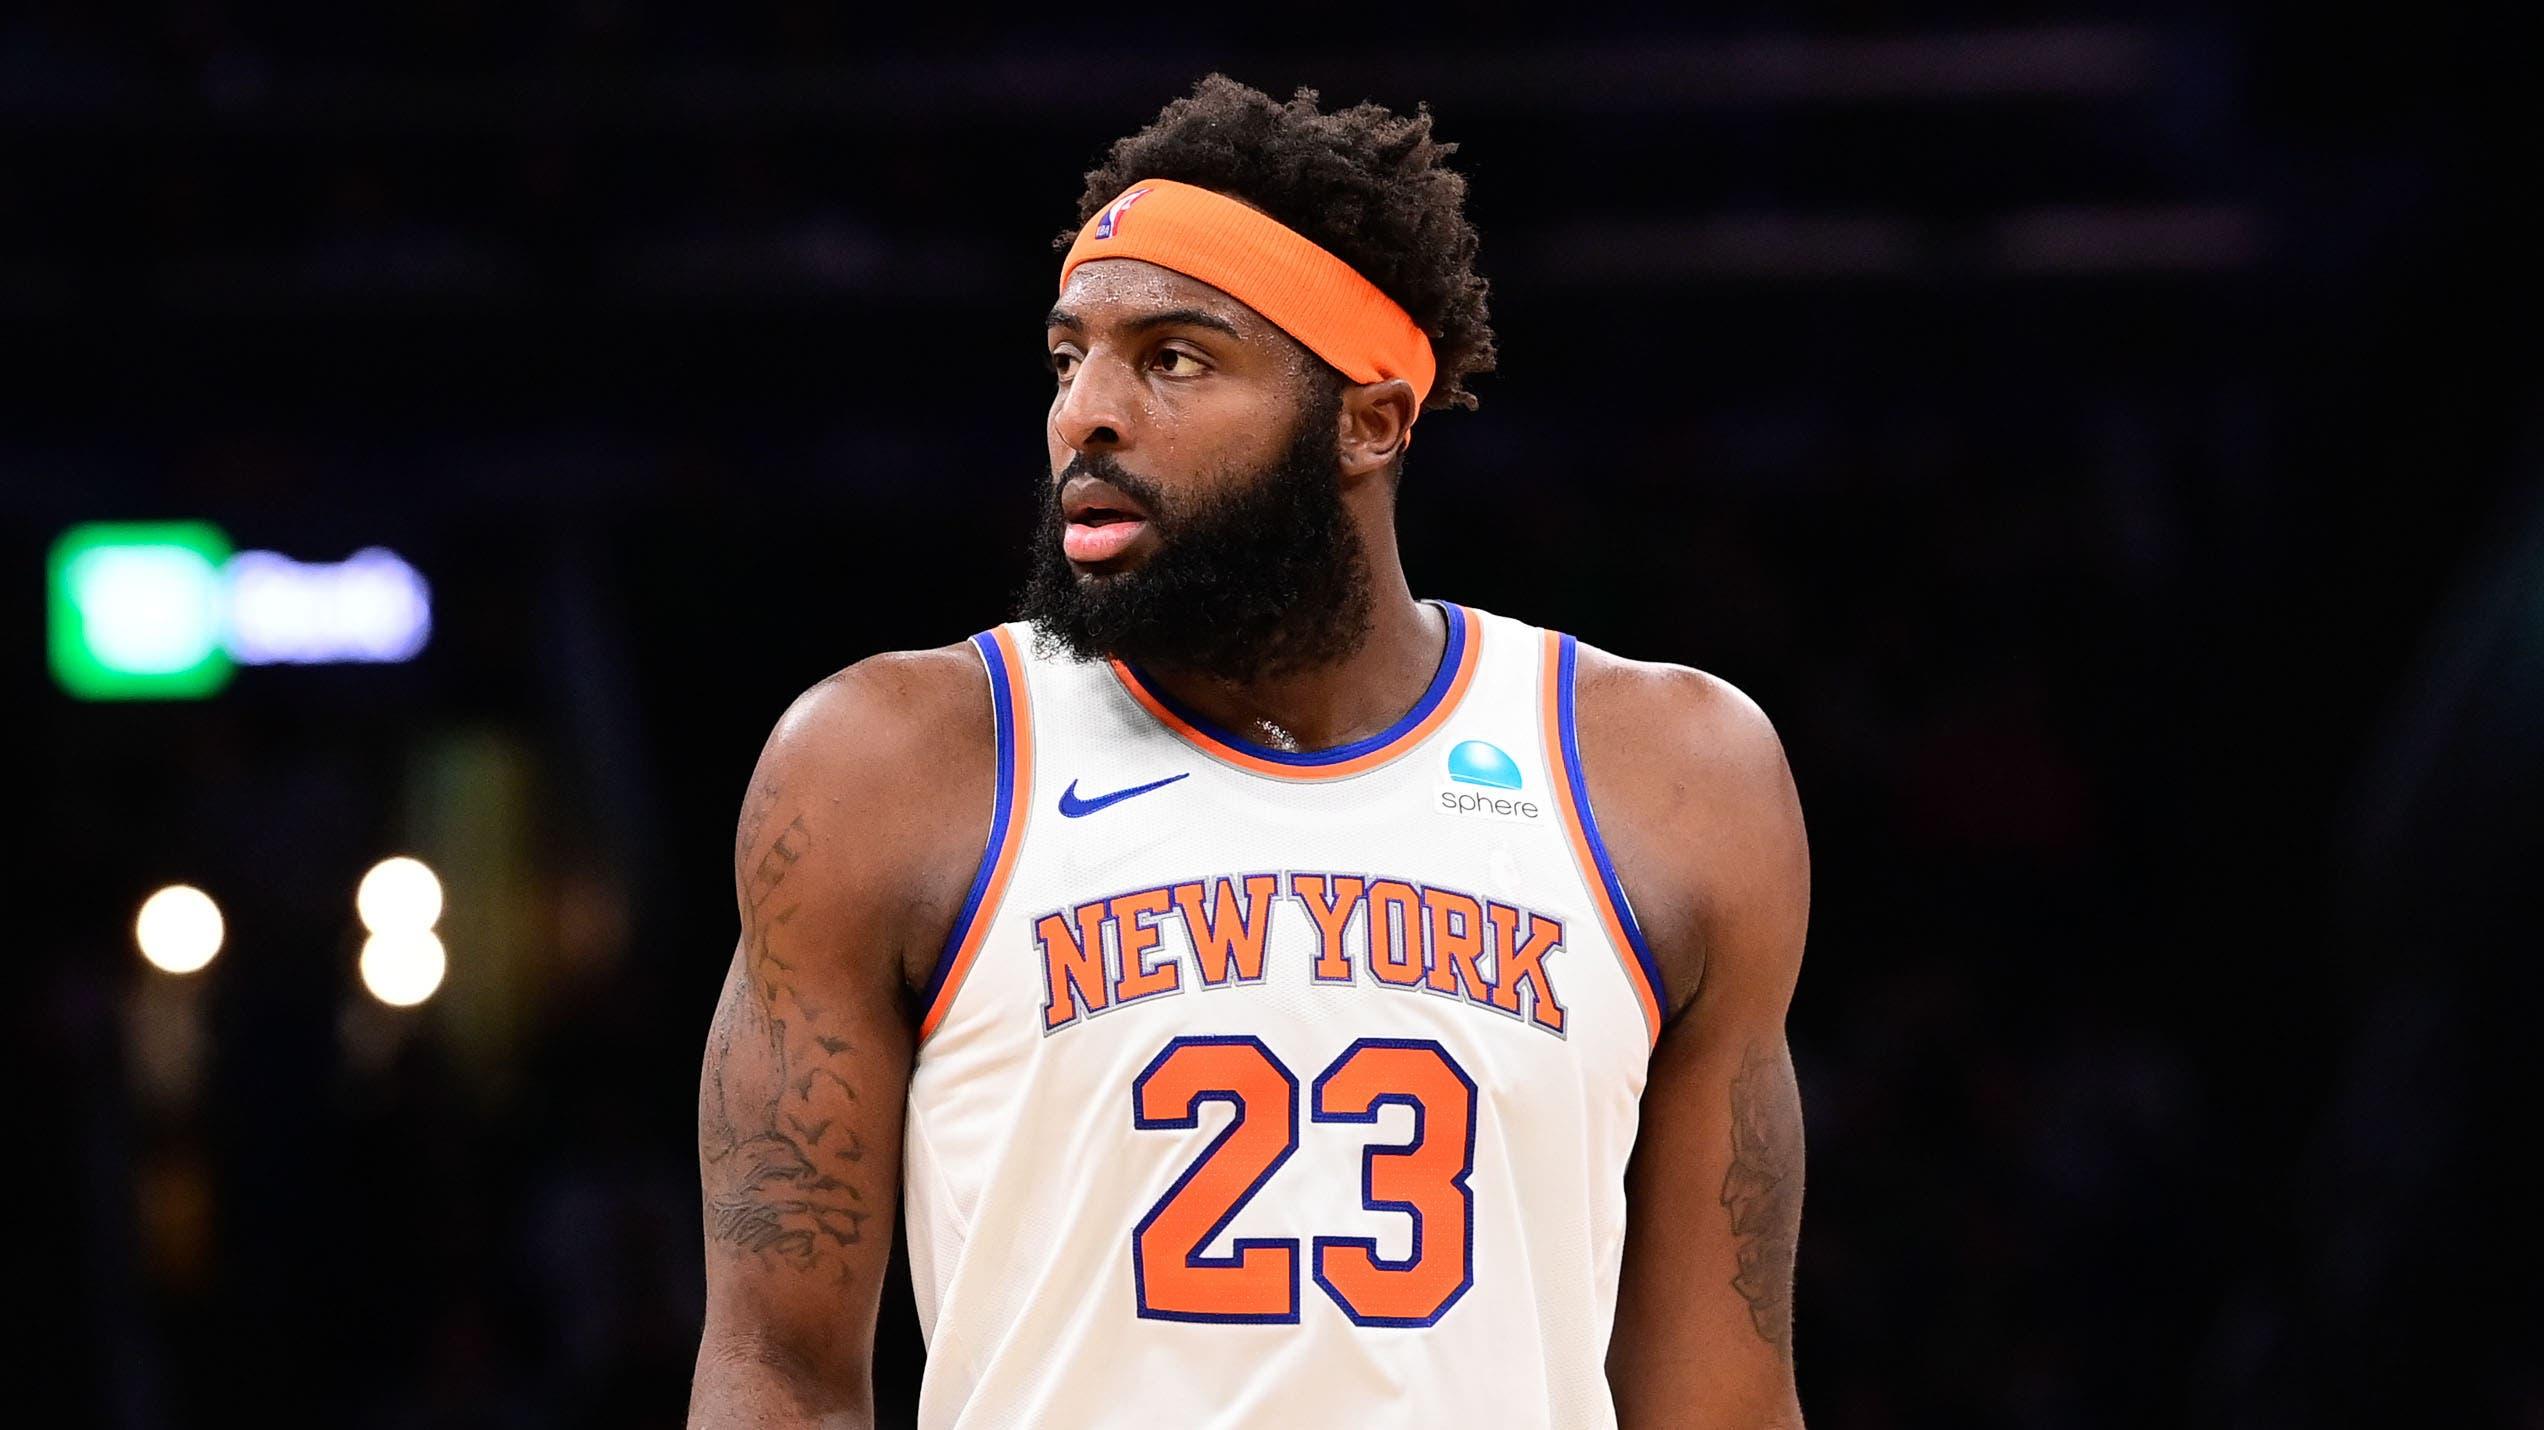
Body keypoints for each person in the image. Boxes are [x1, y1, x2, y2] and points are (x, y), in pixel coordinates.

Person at [688, 75, 1810, 1430]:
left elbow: (1723, 1403)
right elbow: (779, 1377)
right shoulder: (888, 765)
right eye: (1068, 356)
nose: (1084, 414)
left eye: (1173, 357)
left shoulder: (1672, 777)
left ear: (1372, 418)